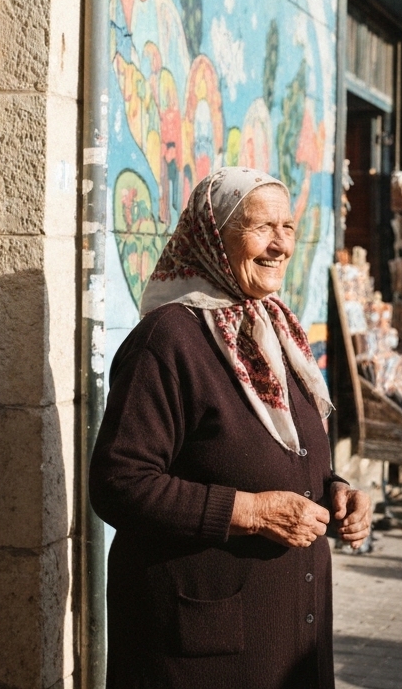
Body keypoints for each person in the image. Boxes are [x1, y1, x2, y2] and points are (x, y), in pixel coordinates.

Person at [90, 167, 372, 689]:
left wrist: (335, 491)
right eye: (262, 228)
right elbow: (118, 483)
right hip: (202, 649)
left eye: (287, 227)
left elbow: (281, 454)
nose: (280, 245)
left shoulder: (276, 328)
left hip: (288, 639)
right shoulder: (169, 339)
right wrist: (252, 513)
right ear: (213, 236)